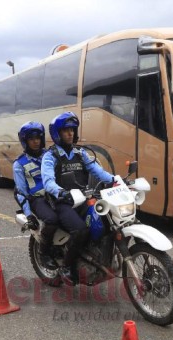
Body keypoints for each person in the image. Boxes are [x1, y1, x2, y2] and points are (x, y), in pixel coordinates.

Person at [41, 111, 114, 285]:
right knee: (81, 230)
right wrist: (61, 192)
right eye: (66, 130)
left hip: (82, 198)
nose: (70, 133)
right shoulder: (50, 156)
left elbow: (98, 171)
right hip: (62, 202)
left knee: (105, 221)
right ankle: (66, 266)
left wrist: (115, 180)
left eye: (72, 130)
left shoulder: (81, 153)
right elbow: (48, 181)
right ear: (57, 133)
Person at [13, 122, 58, 270]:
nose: (36, 141)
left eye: (38, 137)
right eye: (31, 139)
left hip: (56, 194)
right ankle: (43, 252)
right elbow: (20, 192)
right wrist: (28, 214)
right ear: (25, 141)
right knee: (51, 220)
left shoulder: (50, 155)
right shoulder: (19, 164)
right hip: (37, 199)